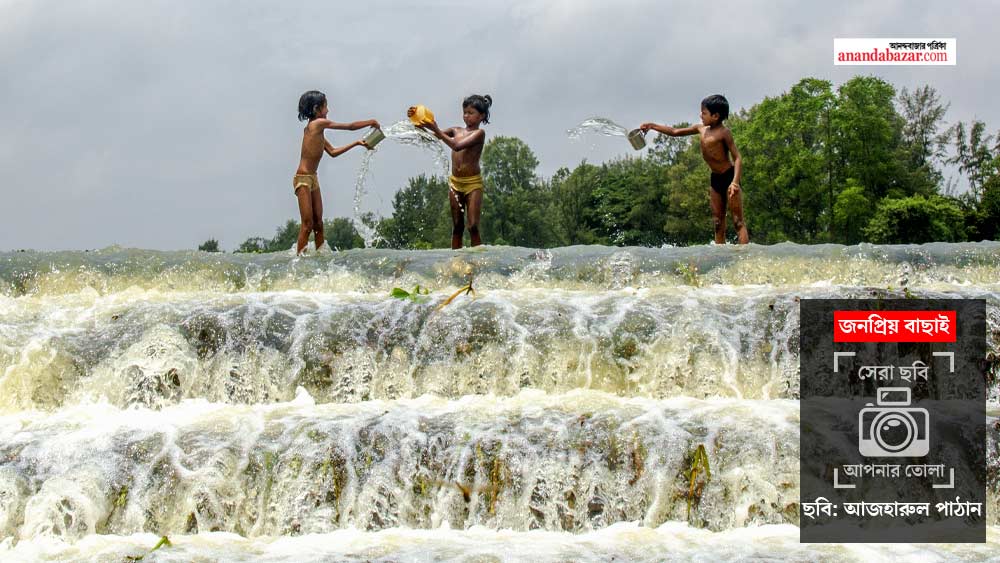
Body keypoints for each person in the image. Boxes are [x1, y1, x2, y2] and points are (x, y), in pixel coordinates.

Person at [641, 94, 749, 244]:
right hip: (715, 179)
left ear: (716, 116)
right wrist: (652, 126)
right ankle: (721, 254)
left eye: (704, 113)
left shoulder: (724, 133)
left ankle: (744, 254)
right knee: (718, 222)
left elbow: (737, 158)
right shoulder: (701, 129)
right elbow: (675, 132)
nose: (700, 115)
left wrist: (735, 182)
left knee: (738, 221)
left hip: (729, 177)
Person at [294, 90, 379, 255]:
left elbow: (332, 152)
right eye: (325, 106)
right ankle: (299, 260)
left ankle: (320, 255)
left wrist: (356, 143)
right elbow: (349, 127)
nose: (328, 110)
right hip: (302, 179)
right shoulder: (316, 124)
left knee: (319, 224)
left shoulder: (317, 131)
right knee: (307, 224)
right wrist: (371, 122)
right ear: (316, 109)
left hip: (313, 179)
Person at [410, 94, 492, 249]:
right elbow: (432, 137)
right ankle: (456, 259)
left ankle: (478, 259)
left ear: (481, 116)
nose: (466, 116)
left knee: (473, 226)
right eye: (464, 112)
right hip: (455, 183)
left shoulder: (479, 134)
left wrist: (435, 128)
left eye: (471, 113)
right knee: (457, 226)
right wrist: (419, 123)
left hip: (472, 184)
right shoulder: (455, 130)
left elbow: (456, 146)